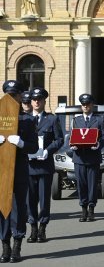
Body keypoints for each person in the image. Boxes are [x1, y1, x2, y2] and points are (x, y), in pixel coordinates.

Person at [0, 80, 38, 263]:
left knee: (18, 208)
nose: (11, 98)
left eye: (14, 95)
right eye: (8, 95)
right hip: (1, 170)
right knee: (2, 209)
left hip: (20, 169)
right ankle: (4, 245)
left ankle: (17, 245)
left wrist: (21, 143)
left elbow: (34, 147)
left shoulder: (28, 120)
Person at [26, 87, 63, 243]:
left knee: (44, 199)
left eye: (39, 99)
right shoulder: (24, 118)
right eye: (34, 99)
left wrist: (48, 151)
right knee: (30, 200)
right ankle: (32, 227)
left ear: (44, 101)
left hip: (45, 165)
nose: (36, 102)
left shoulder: (52, 119)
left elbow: (59, 139)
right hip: (28, 166)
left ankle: (42, 228)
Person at [70, 94, 104, 222]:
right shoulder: (76, 120)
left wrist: (99, 144)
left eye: (87, 104)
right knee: (81, 184)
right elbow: (73, 136)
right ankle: (83, 209)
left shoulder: (100, 119)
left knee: (92, 184)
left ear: (92, 105)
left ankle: (91, 208)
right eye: (83, 104)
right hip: (79, 157)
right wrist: (73, 145)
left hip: (93, 156)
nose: (85, 106)